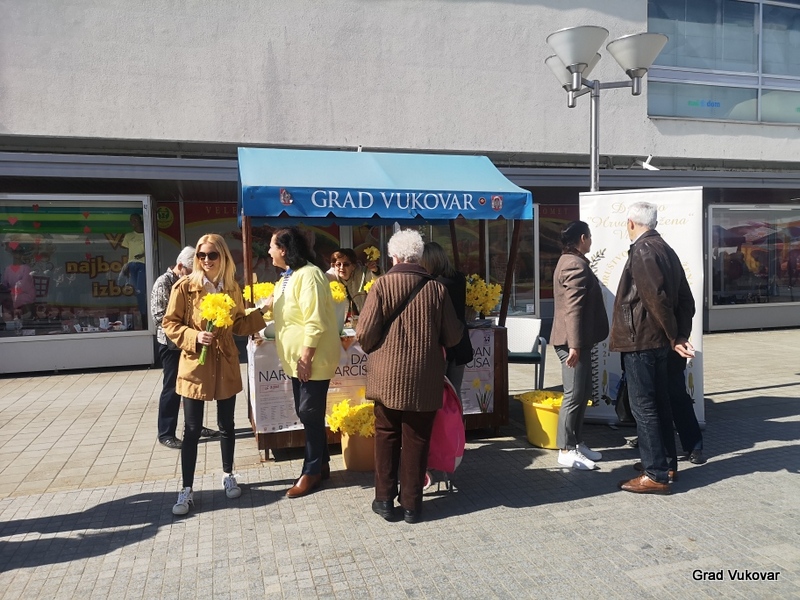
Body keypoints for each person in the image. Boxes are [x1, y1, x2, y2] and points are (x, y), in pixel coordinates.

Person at [356, 230, 463, 524]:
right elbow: (453, 337)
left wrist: (378, 347)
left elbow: (364, 334)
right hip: (424, 378)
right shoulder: (437, 289)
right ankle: (412, 506)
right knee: (417, 439)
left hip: (386, 377)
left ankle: (383, 500)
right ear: (418, 257)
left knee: (386, 435)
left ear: (395, 257)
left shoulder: (381, 285)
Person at [163, 234, 268, 515]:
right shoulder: (185, 287)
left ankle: (228, 474)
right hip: (195, 364)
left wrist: (264, 311)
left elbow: (240, 324)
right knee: (192, 429)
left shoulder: (232, 288)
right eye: (201, 255)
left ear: (223, 257)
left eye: (212, 255)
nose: (206, 260)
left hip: (225, 360)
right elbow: (170, 323)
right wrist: (195, 336)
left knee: (227, 424)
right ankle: (186, 489)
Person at [610, 202, 694, 495]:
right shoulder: (665, 249)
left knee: (644, 406)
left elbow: (655, 298)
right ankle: (664, 464)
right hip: (656, 341)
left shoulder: (643, 249)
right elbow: (686, 299)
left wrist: (675, 337)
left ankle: (656, 473)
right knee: (659, 404)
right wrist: (678, 334)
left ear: (631, 222)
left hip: (642, 340)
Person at [267, 227, 341, 498]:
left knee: (309, 412)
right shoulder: (287, 277)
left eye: (272, 246)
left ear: (284, 249)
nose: (269, 251)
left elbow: (315, 320)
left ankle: (310, 471)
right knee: (308, 413)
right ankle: (322, 464)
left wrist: (306, 357)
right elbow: (277, 311)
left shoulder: (309, 275)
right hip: (296, 360)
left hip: (313, 358)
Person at [549, 221, 609, 471]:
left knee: (583, 394)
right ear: (582, 238)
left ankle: (576, 442)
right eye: (590, 237)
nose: (591, 241)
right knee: (574, 395)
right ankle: (565, 449)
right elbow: (573, 308)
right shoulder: (574, 264)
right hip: (572, 342)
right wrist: (574, 345)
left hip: (578, 341)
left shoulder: (570, 260)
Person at [150, 246, 220, 450]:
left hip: (192, 342)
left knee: (193, 386)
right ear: (180, 266)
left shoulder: (192, 282)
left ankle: (195, 425)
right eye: (189, 271)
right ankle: (166, 432)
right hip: (171, 344)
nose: (192, 275)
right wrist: (187, 329)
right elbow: (159, 317)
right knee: (172, 388)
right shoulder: (164, 282)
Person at [420, 241, 473, 397]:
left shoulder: (432, 284)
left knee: (436, 395)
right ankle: (457, 415)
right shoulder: (459, 278)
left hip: (440, 344)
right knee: (455, 393)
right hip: (460, 340)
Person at [326, 248, 380, 317]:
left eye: (346, 264)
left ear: (353, 266)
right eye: (338, 264)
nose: (342, 268)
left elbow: (377, 279)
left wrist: (375, 270)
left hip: (362, 318)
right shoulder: (329, 277)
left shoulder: (361, 273)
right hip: (339, 320)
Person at [121, 213, 147, 325]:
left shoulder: (147, 234)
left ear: (140, 220)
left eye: (135, 220)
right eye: (131, 220)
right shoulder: (129, 236)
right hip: (131, 264)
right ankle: (141, 315)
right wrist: (125, 265)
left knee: (141, 290)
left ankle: (144, 315)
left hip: (143, 264)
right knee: (134, 290)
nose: (133, 222)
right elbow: (125, 252)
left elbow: (153, 248)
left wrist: (142, 255)